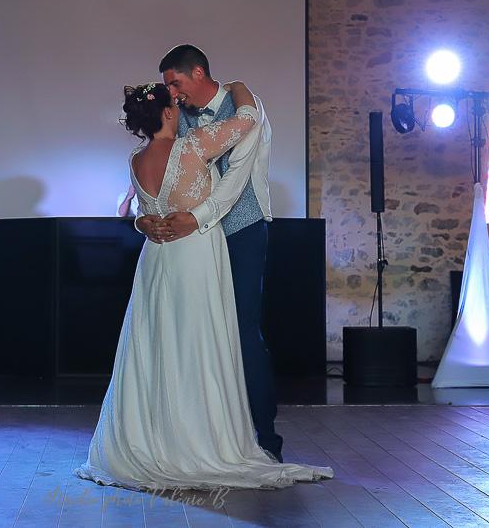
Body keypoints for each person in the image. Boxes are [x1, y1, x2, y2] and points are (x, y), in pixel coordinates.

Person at [74, 80, 332, 490]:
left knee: (156, 344)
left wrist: (145, 221)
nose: (179, 108)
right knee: (199, 343)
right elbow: (247, 120)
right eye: (173, 105)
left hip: (156, 259)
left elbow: (140, 211)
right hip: (193, 253)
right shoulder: (193, 146)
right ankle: (200, 441)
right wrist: (242, 87)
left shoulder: (136, 159)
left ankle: (154, 440)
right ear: (166, 113)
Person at [144, 44, 283, 462]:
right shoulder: (174, 118)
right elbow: (163, 174)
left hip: (239, 230)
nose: (172, 92)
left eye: (176, 82)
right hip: (192, 240)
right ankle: (196, 437)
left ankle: (265, 439)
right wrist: (147, 216)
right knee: (193, 333)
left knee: (242, 330)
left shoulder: (247, 108)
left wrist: (198, 217)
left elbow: (236, 178)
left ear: (199, 72)